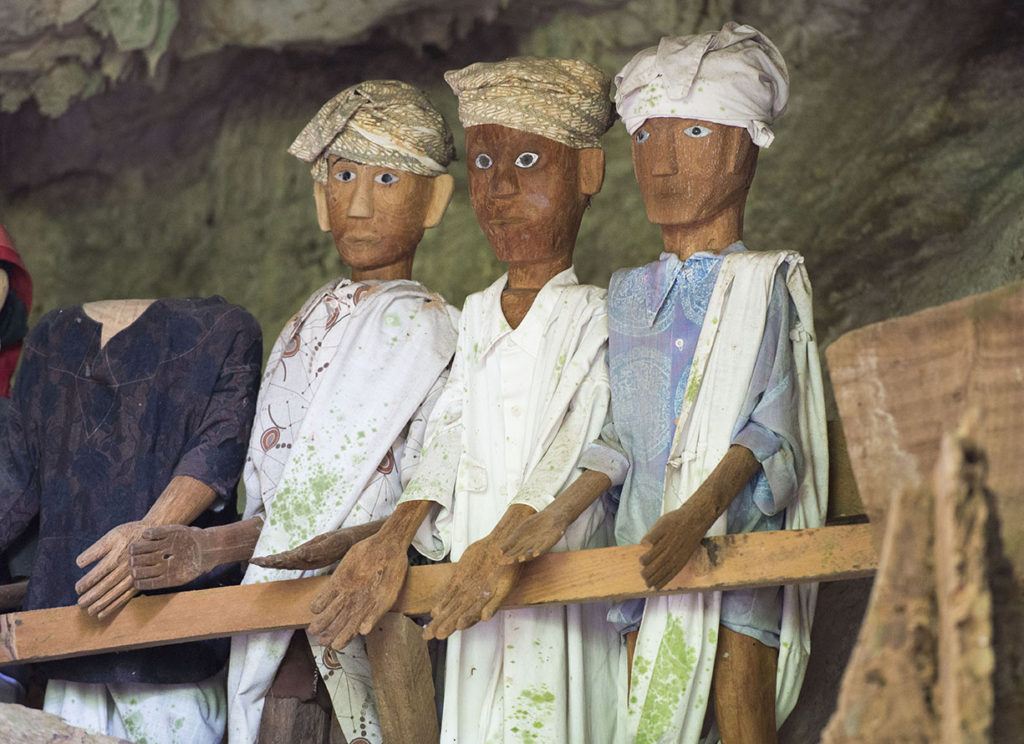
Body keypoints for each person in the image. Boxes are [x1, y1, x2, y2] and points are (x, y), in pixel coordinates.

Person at [500, 23, 828, 743]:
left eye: (696, 136)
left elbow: (771, 429)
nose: (665, 163)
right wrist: (554, 518)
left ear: (744, 146)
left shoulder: (760, 282)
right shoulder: (625, 293)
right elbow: (618, 433)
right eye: (646, 138)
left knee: (742, 720)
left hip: (731, 548)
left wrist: (696, 515)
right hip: (639, 553)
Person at [287, 57, 624, 743]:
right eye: (482, 164)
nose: (500, 188)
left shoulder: (604, 310)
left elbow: (579, 439)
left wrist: (499, 550)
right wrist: (392, 538)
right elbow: (446, 436)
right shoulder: (473, 314)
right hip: (470, 601)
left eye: (528, 160)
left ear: (588, 172)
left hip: (558, 586)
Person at [127, 80, 460, 744]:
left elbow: (421, 508)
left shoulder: (435, 328)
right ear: (319, 197)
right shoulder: (303, 322)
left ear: (436, 201)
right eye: (342, 175)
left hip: (366, 629)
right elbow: (280, 497)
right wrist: (214, 544)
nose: (360, 202)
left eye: (388, 177)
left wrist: (215, 546)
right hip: (279, 633)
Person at [0, 292, 262, 744]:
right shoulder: (49, 338)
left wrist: (149, 534)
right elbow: (15, 482)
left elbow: (217, 452)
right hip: (70, 633)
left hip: (169, 634)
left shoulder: (227, 329)